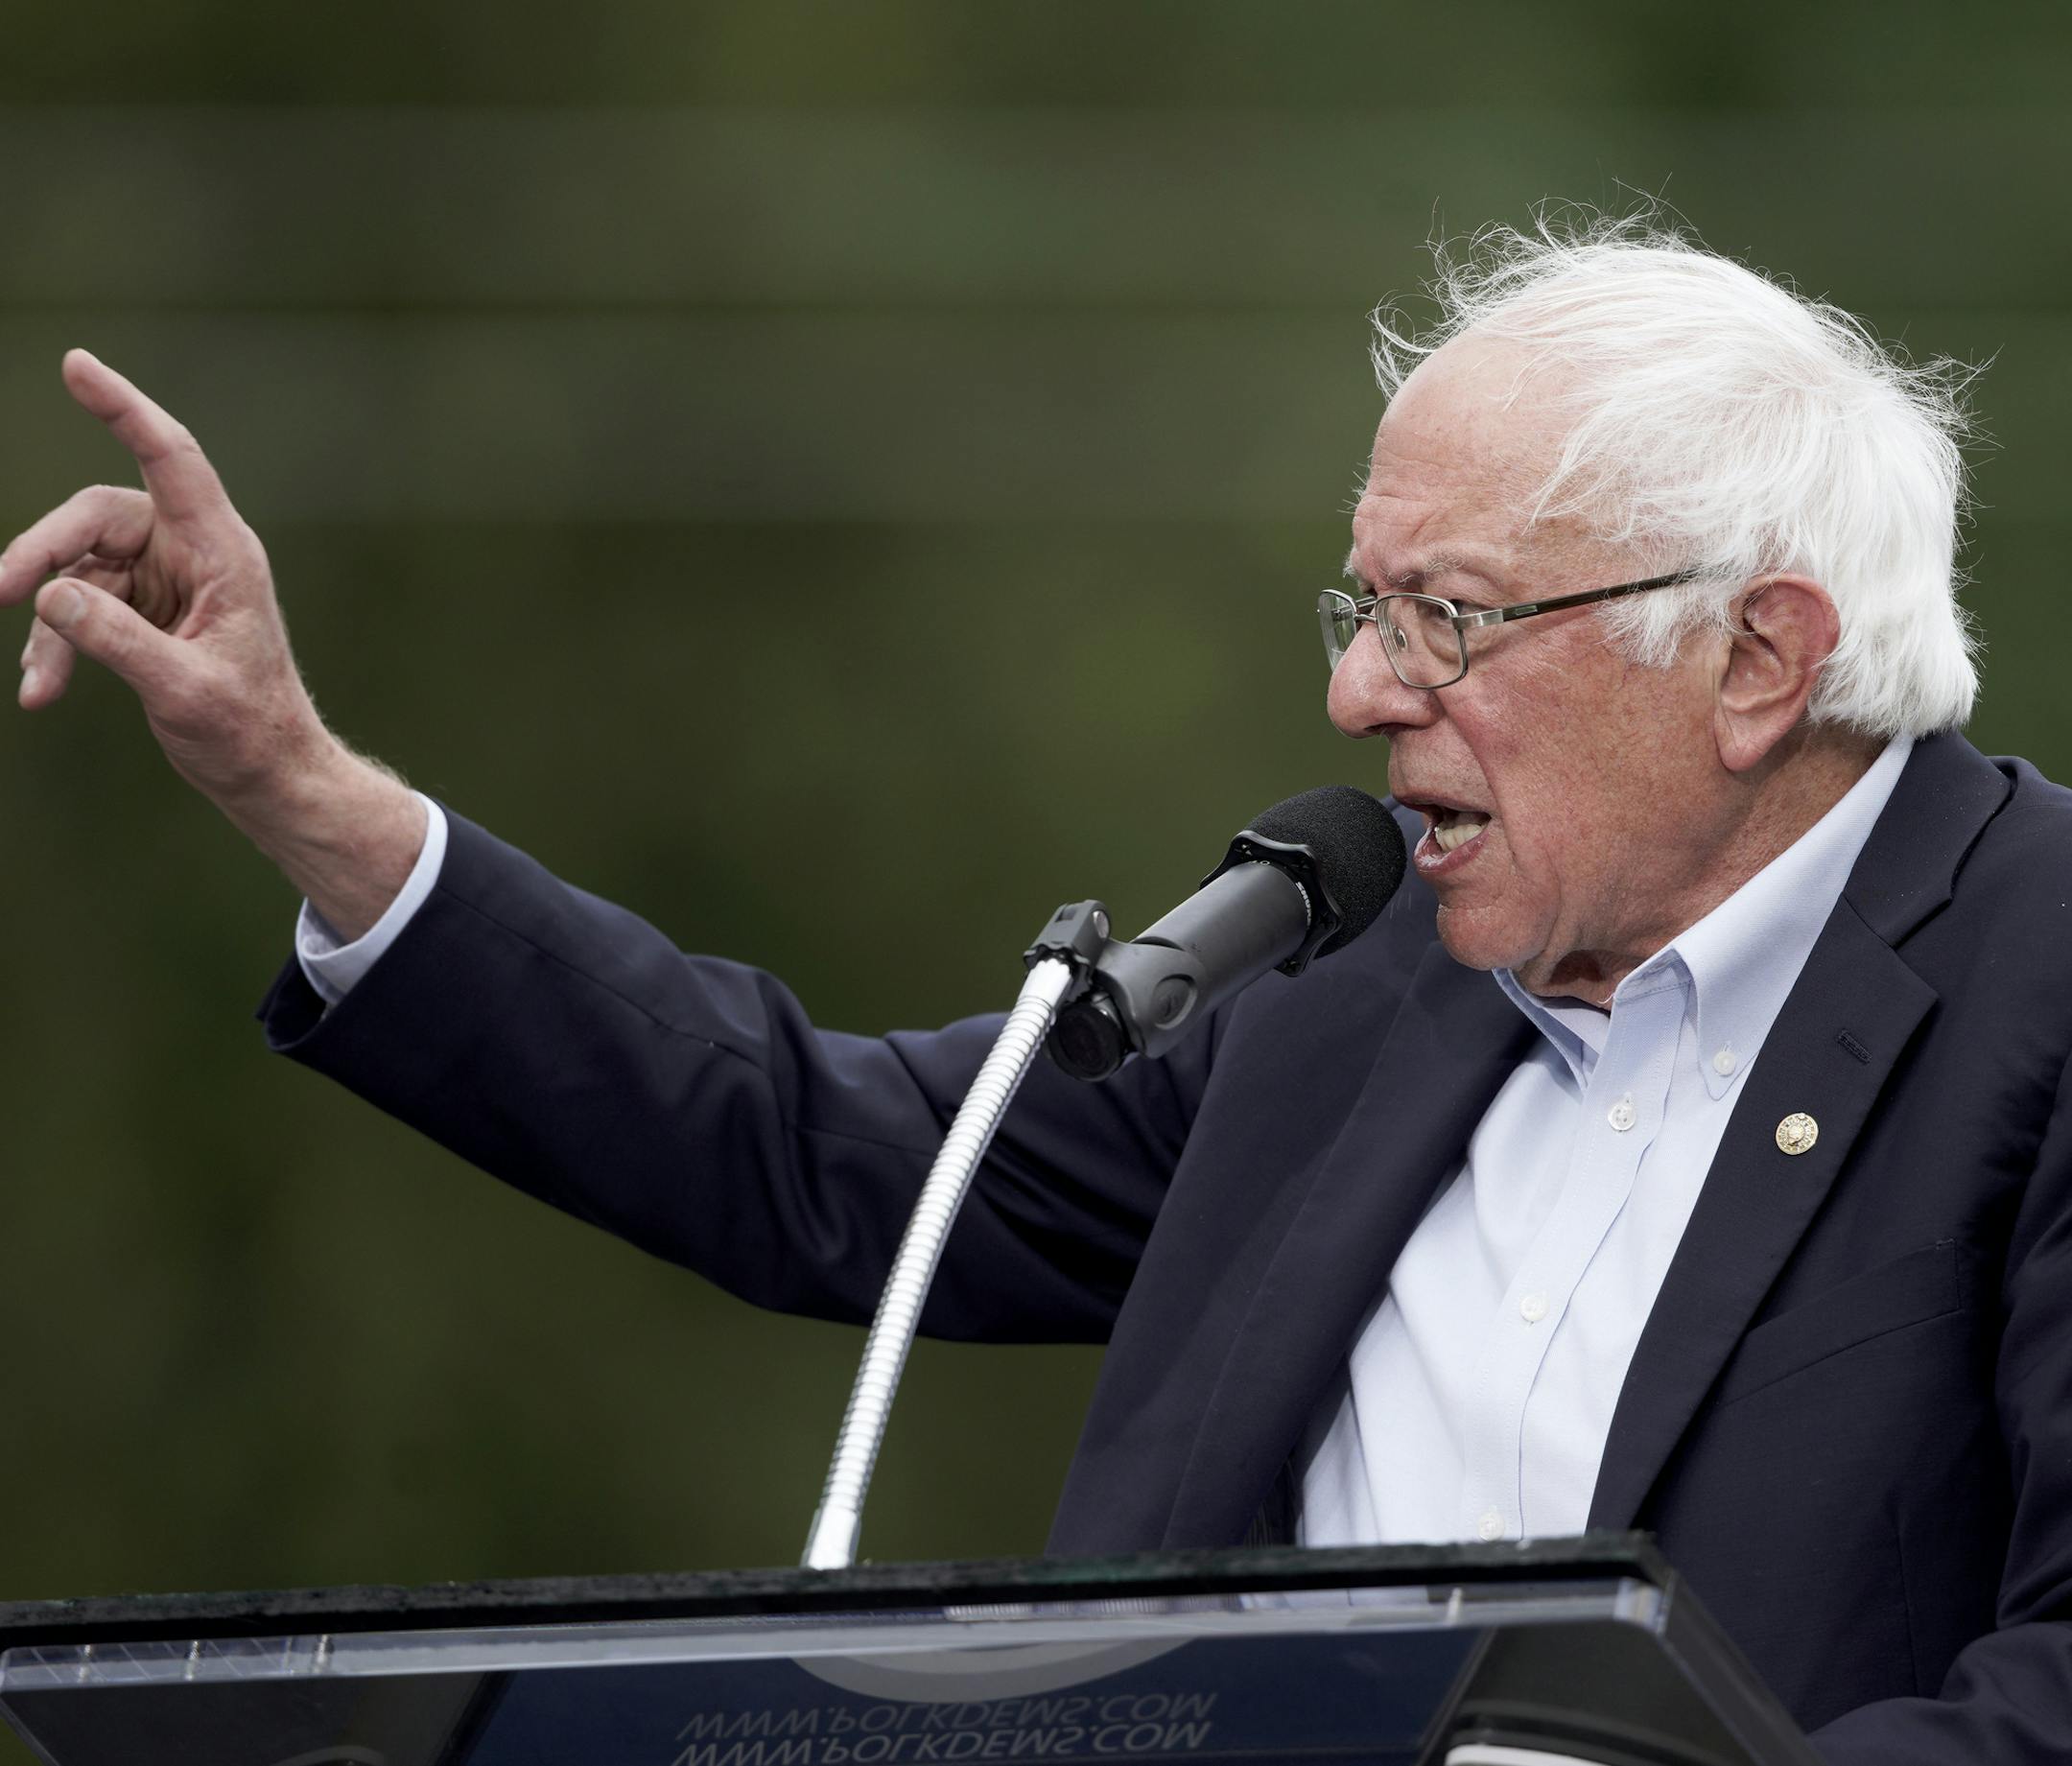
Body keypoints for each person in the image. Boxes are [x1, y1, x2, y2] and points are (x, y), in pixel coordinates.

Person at [4, 218, 2067, 1762]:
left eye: (1451, 618)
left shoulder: (2033, 976)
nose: (1358, 691)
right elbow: (809, 1153)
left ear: (1756, 661)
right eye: (1366, 604)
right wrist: (304, 792)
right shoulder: (1349, 988)